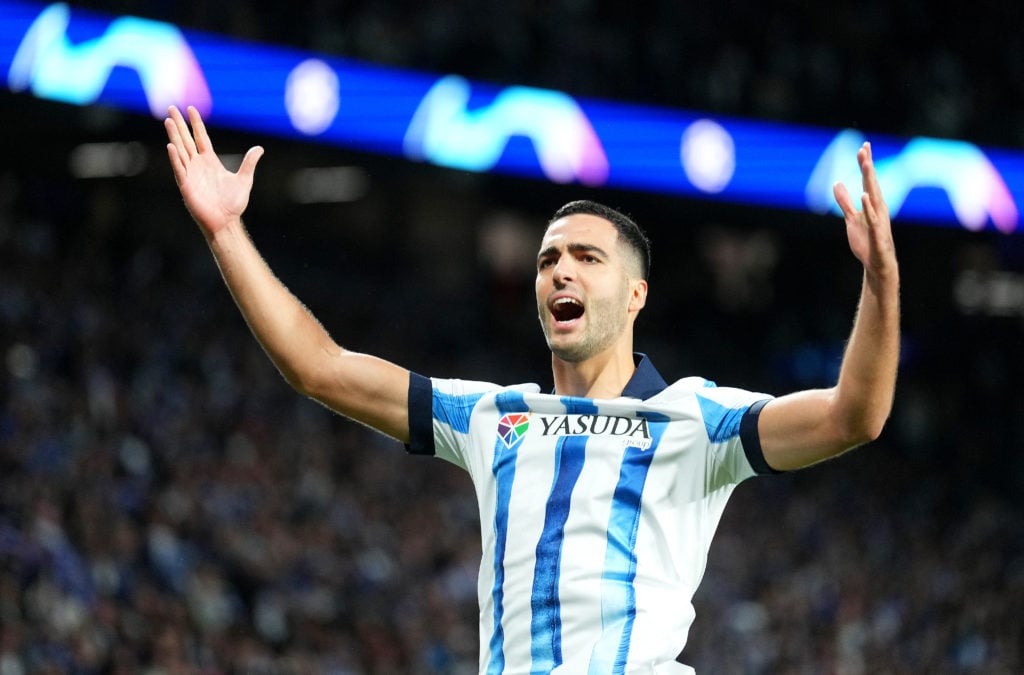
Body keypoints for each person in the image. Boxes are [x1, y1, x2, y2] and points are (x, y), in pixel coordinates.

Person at [164, 104, 899, 673]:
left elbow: (852, 416)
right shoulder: (490, 415)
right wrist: (227, 232)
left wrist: (880, 283)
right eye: (549, 259)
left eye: (586, 256)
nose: (561, 271)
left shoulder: (695, 419)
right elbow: (317, 366)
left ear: (637, 293)